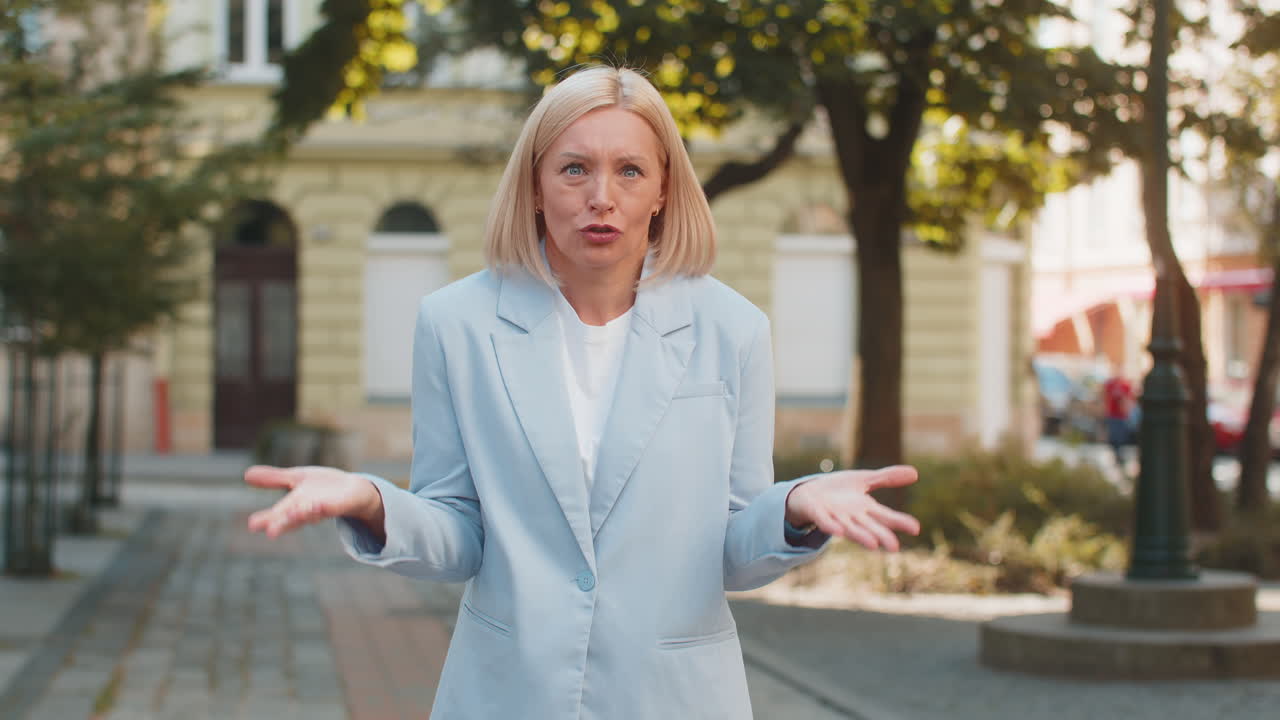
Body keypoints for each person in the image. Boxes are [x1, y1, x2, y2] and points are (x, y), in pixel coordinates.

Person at [243, 65, 921, 719]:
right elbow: (458, 529)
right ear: (536, 185)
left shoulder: (733, 330)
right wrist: (372, 503)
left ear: (663, 190)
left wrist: (797, 507)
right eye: (574, 168)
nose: (602, 196)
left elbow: (735, 546)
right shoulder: (456, 325)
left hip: (676, 698)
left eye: (630, 170)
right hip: (508, 694)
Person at [1101, 363, 1136, 471]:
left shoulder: (1125, 385)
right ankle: (1116, 456)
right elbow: (1104, 395)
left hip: (1121, 416)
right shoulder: (1110, 384)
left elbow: (1129, 399)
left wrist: (1128, 411)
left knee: (1120, 436)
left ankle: (1119, 456)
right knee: (1113, 436)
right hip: (1112, 414)